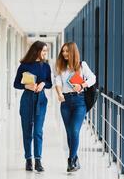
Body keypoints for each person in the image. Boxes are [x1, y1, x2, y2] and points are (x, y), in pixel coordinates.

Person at [54, 42, 96, 172]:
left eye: (67, 51)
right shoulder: (61, 66)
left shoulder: (82, 65)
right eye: (63, 51)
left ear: (73, 52)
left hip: (79, 102)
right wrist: (60, 94)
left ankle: (71, 160)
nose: (65, 54)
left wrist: (82, 85)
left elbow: (93, 78)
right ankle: (75, 159)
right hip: (65, 102)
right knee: (69, 133)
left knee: (74, 130)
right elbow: (58, 81)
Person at [13, 40, 52, 172]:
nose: (46, 53)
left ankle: (38, 160)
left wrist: (43, 84)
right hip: (27, 100)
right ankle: (28, 159)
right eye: (44, 51)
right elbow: (16, 84)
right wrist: (27, 86)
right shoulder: (24, 66)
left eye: (46, 51)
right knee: (27, 131)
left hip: (41, 101)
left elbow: (49, 83)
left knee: (38, 131)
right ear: (37, 51)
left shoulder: (46, 66)